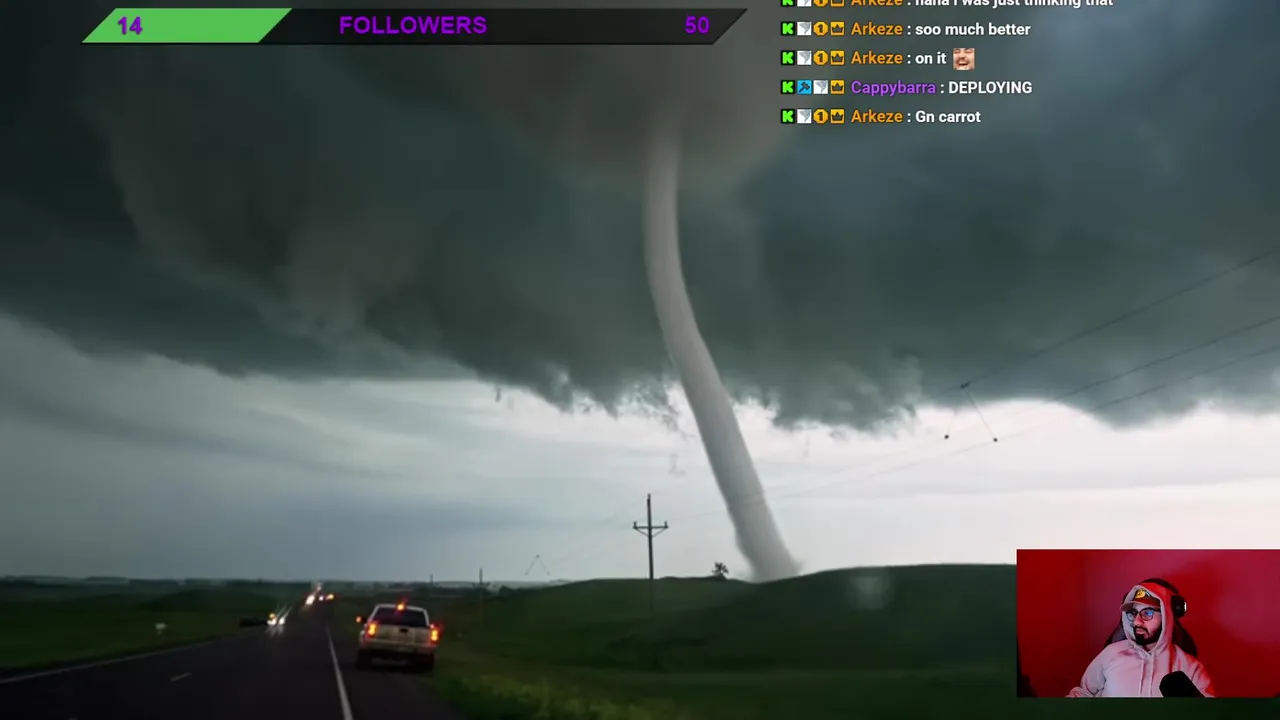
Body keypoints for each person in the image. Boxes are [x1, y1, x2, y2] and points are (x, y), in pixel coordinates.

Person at [1067, 581, 1215, 697]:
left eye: (1147, 612)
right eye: (1133, 613)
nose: (1137, 621)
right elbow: (1082, 693)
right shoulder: (1110, 654)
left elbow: (1207, 713)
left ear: (1166, 616)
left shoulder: (1191, 668)